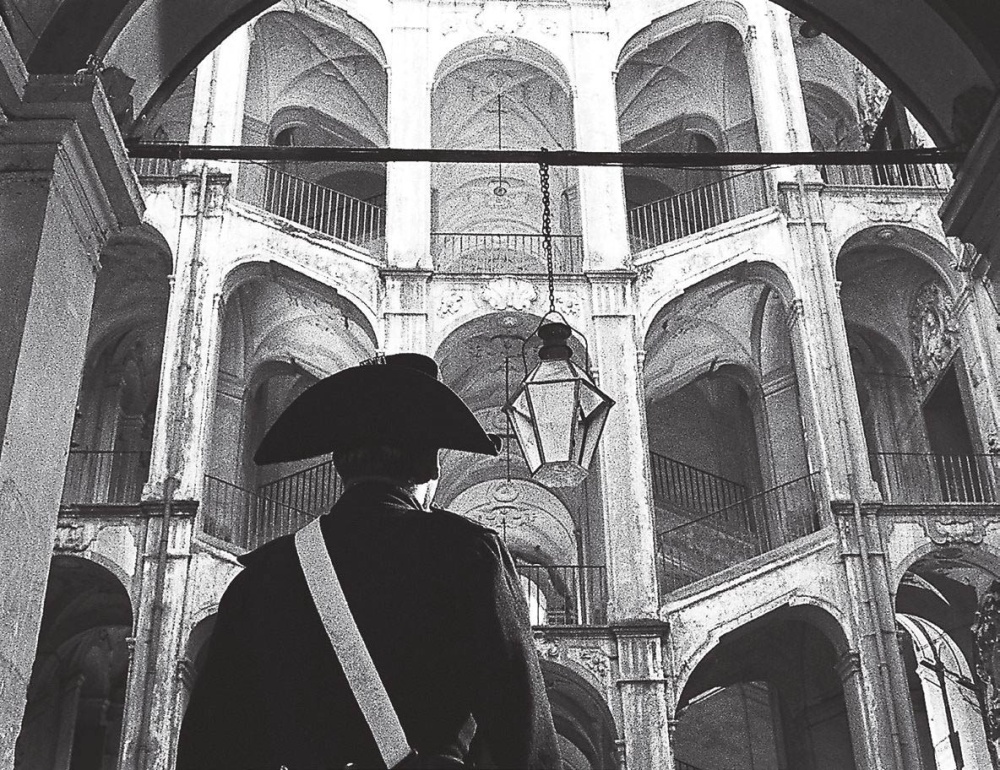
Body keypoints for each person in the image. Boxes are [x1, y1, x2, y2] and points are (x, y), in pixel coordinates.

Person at [176, 354, 561, 769]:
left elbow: (215, 748)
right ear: (427, 467)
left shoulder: (262, 578)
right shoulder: (467, 554)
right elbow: (520, 734)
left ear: (340, 463)